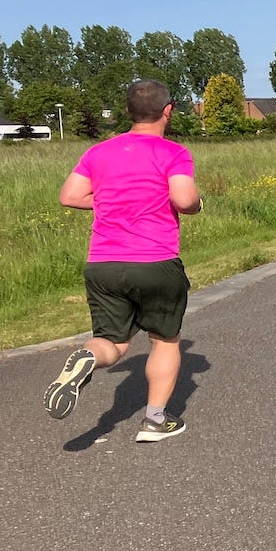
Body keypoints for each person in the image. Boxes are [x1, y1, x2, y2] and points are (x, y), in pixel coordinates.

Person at [46, 79, 202, 443]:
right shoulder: (173, 152)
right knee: (164, 340)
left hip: (103, 264)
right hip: (155, 261)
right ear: (168, 110)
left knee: (112, 344)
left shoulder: (99, 152)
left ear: (129, 112)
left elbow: (69, 196)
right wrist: (196, 204)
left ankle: (87, 358)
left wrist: (109, 203)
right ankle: (154, 421)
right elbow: (183, 199)